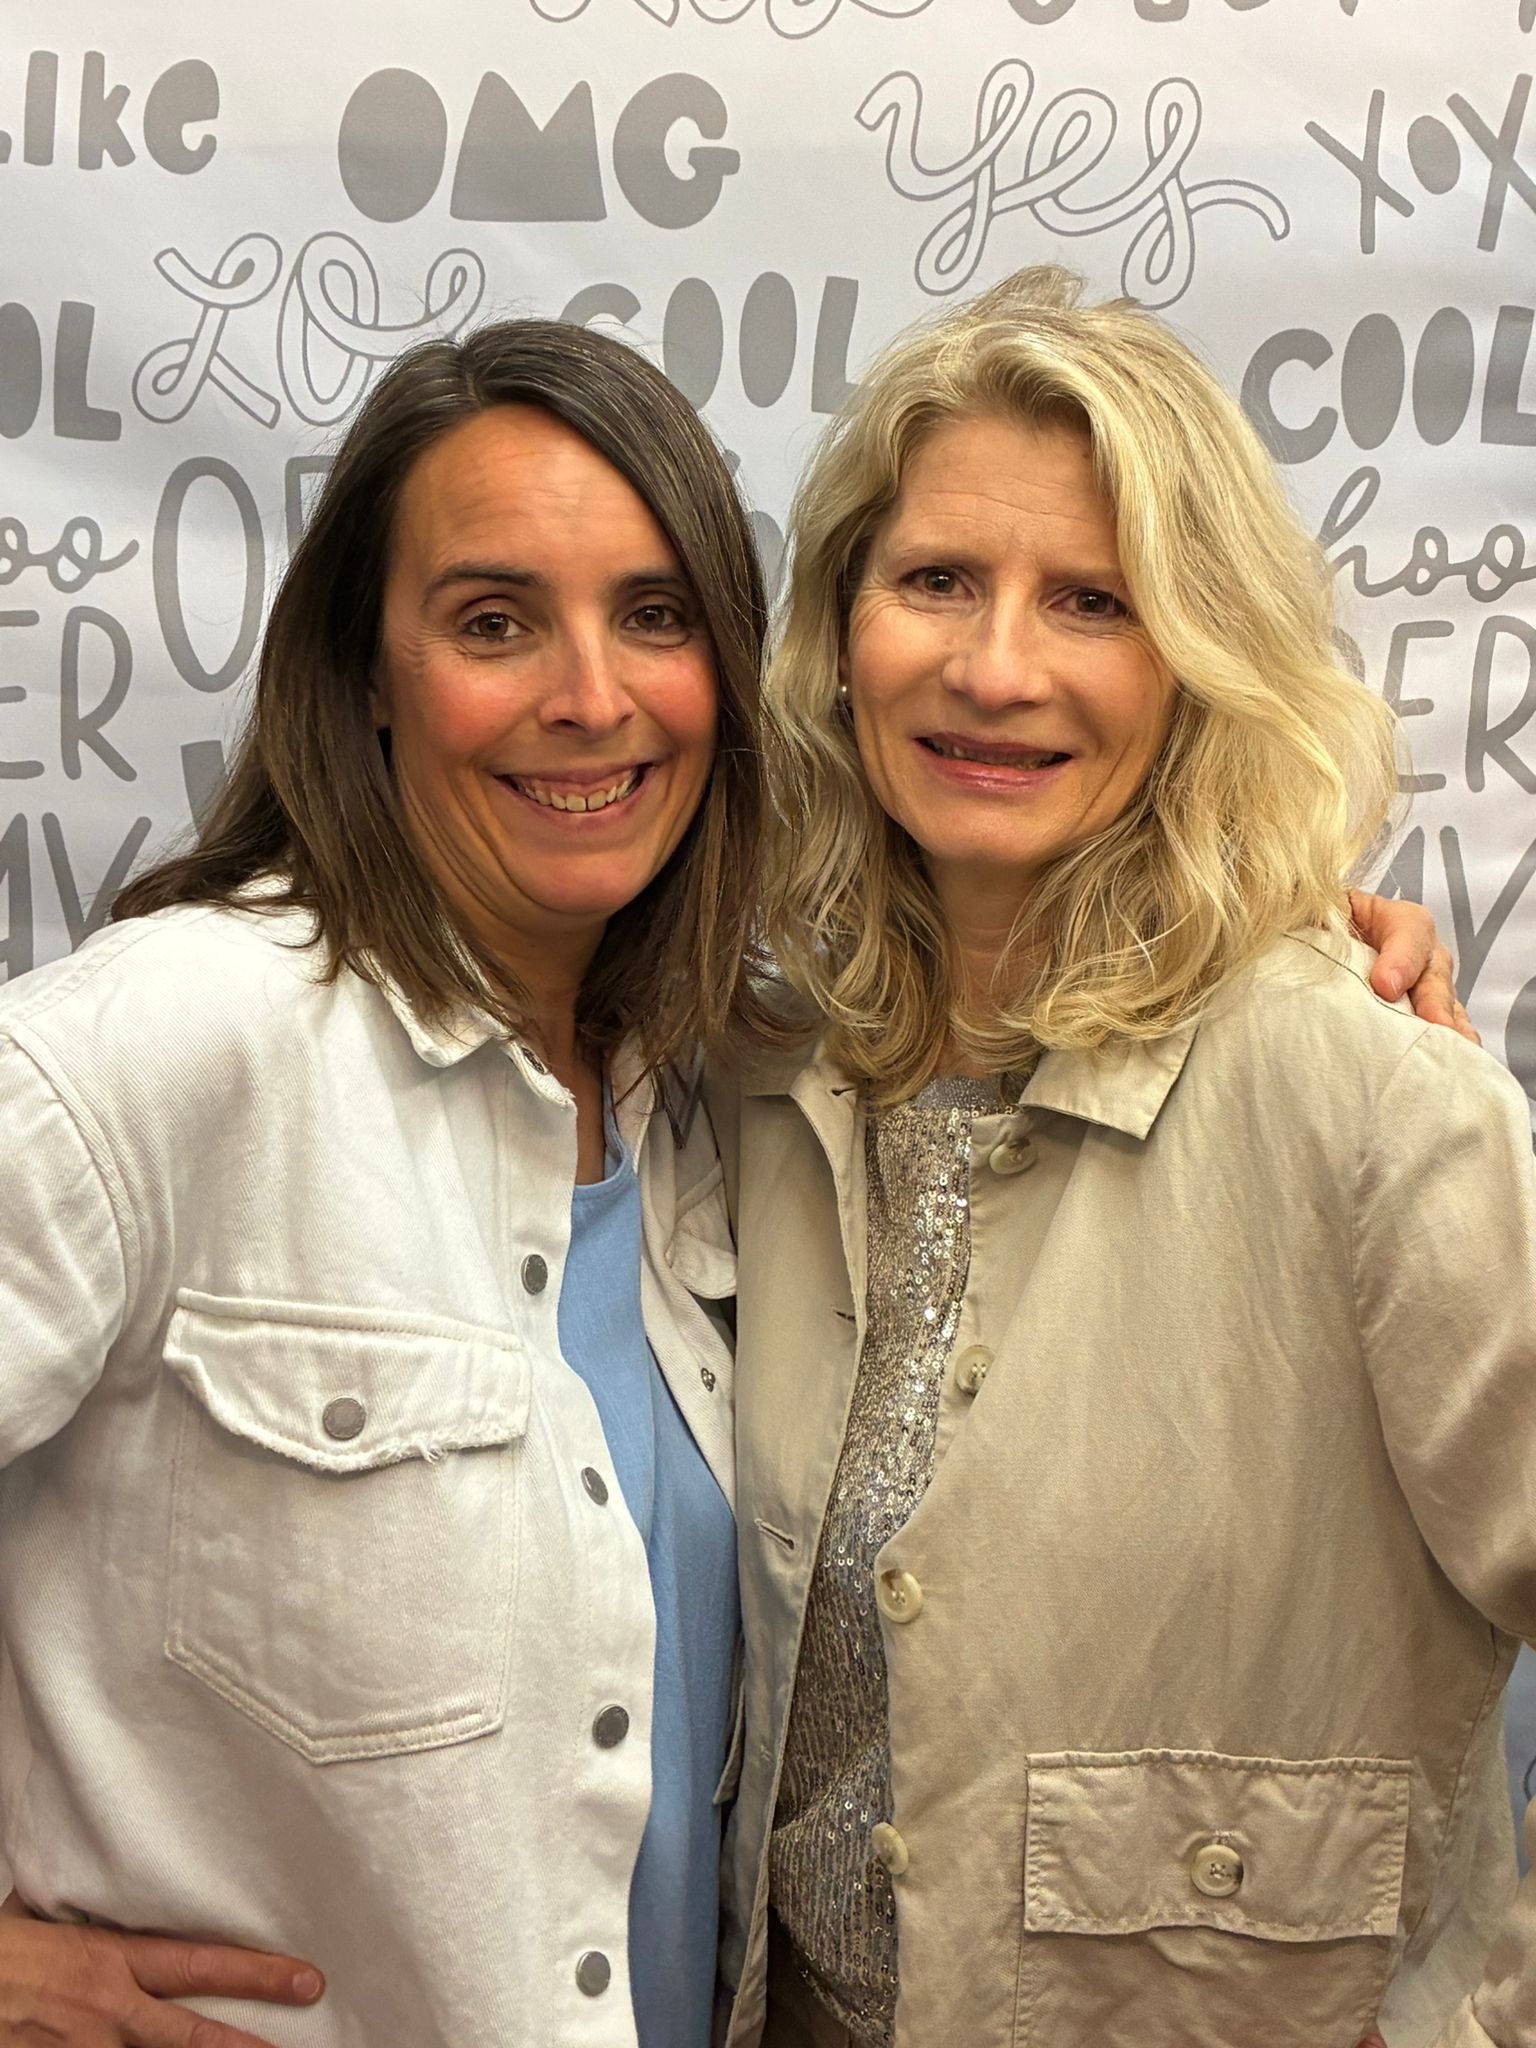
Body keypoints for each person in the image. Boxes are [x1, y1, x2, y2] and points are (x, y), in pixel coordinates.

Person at [714, 267, 1536, 2048]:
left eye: (1093, 599)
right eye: (938, 579)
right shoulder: (753, 1086)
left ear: (1196, 658)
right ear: (841, 631)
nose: (995, 668)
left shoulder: (1370, 1101)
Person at [0, 318, 771, 2047]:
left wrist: (1314, 969)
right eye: (495, 623)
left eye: (655, 615)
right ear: (366, 672)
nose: (592, 696)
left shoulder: (715, 1099)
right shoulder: (171, 1044)